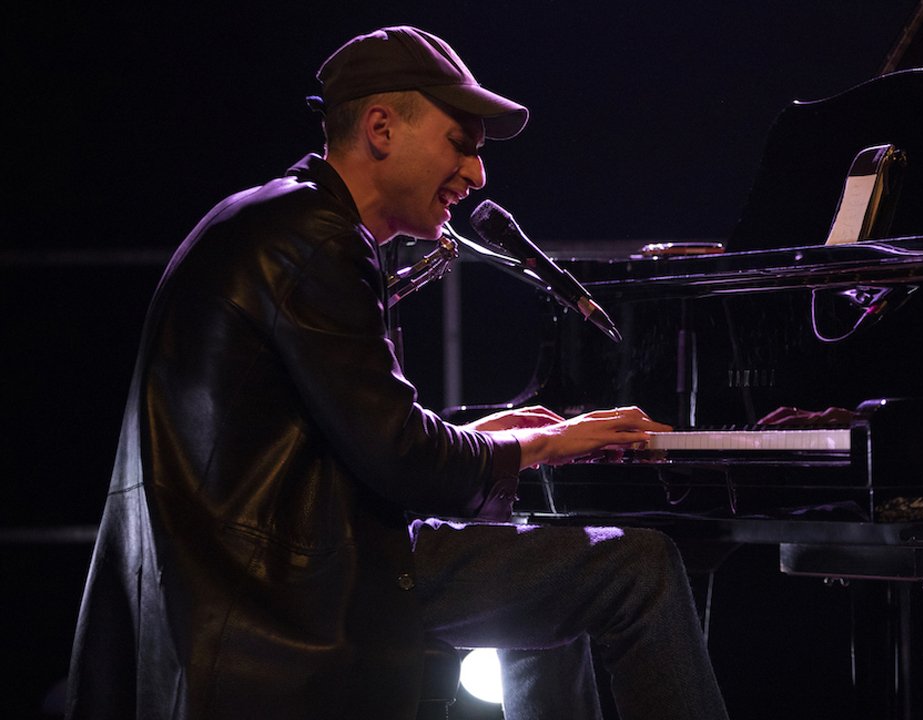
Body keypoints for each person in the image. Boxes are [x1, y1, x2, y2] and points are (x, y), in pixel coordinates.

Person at [65, 26, 731, 720]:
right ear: (381, 129)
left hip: (264, 573)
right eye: (461, 144)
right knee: (640, 568)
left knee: (551, 575)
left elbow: (345, 436)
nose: (477, 176)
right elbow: (402, 459)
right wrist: (543, 443)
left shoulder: (277, 217)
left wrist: (487, 439)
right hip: (297, 588)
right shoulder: (317, 237)